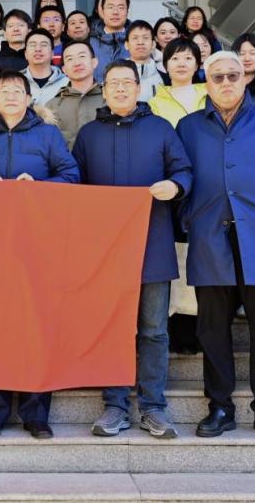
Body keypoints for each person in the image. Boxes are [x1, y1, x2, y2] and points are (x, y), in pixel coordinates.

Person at [175, 51, 255, 441]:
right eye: (217, 77)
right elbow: (179, 174)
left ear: (245, 78)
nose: (226, 82)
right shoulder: (188, 126)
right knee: (212, 328)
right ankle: (220, 407)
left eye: (233, 75)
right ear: (207, 82)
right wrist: (188, 217)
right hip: (209, 237)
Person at [73, 60, 193, 440]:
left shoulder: (160, 128)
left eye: (128, 82)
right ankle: (115, 405)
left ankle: (153, 407)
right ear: (104, 90)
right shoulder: (89, 135)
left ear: (140, 88)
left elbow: (184, 171)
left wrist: (175, 187)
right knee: (113, 328)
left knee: (154, 329)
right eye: (114, 83)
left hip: (152, 243)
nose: (121, 89)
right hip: (106, 250)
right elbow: (73, 184)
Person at [0, 71, 80, 440]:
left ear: (30, 98)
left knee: (35, 326)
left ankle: (36, 414)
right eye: (4, 91)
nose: (12, 96)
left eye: (18, 90)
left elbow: (71, 176)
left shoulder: (47, 135)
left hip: (37, 245)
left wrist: (40, 187)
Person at [148, 38, 208, 355]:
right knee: (179, 255)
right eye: (174, 58)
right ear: (165, 64)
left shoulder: (211, 93)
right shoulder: (154, 101)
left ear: (198, 63)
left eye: (187, 57)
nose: (181, 63)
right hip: (174, 187)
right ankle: (180, 328)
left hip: (209, 184)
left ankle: (204, 328)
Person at [45, 42, 103, 149]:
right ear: (64, 70)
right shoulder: (52, 105)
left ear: (94, 62)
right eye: (70, 59)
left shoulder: (110, 98)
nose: (77, 63)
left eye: (82, 56)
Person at [89, 0, 132, 81]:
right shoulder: (89, 43)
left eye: (121, 7)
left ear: (127, 11)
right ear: (102, 11)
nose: (115, 12)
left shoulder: (136, 41)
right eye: (110, 7)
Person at [22, 28, 68, 105]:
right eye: (32, 45)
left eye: (44, 45)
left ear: (52, 53)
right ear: (25, 54)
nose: (38, 49)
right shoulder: (15, 82)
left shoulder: (67, 83)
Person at [126, 20, 164, 101]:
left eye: (145, 38)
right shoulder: (116, 75)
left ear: (153, 44)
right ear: (126, 45)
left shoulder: (165, 77)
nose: (140, 42)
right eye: (135, 38)